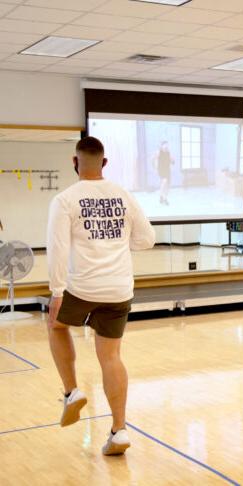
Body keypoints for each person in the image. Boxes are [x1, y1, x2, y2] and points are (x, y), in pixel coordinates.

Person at [47, 136, 156, 455]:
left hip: (81, 285)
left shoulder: (66, 199)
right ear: (105, 163)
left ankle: (71, 392)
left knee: (55, 326)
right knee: (111, 356)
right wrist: (118, 244)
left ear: (74, 162)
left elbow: (57, 249)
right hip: (119, 287)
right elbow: (147, 238)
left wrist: (56, 292)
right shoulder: (123, 194)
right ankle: (119, 430)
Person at [154, 141, 174, 206]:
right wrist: (156, 168)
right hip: (161, 169)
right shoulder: (159, 152)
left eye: (167, 145)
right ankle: (161, 196)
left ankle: (164, 198)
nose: (166, 146)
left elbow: (172, 161)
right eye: (165, 145)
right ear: (162, 146)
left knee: (167, 185)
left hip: (167, 169)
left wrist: (172, 159)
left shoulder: (168, 153)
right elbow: (155, 160)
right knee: (164, 181)